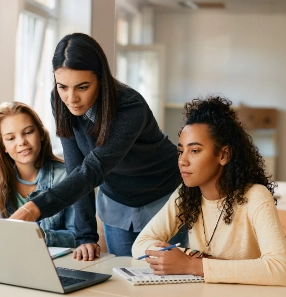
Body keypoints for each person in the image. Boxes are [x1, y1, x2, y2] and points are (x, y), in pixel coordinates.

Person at [9, 32, 187, 258]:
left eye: (82, 87)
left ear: (101, 79)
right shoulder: (60, 100)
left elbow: (94, 168)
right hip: (117, 200)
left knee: (170, 283)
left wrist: (34, 208)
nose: (71, 98)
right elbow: (77, 168)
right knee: (125, 281)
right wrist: (86, 237)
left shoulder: (130, 107)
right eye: (63, 86)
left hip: (163, 196)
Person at [131, 96, 286, 286]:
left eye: (195, 151)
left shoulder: (256, 196)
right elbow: (140, 245)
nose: (182, 160)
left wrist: (192, 265)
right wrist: (193, 258)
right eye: (181, 151)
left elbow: (280, 270)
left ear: (223, 155)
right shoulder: (187, 193)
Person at [0, 102, 75, 248]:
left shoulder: (67, 176)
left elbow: (78, 237)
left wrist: (41, 236)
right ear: (3, 146)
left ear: (40, 133)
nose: (21, 142)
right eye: (10, 138)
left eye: (28, 132)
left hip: (54, 262)